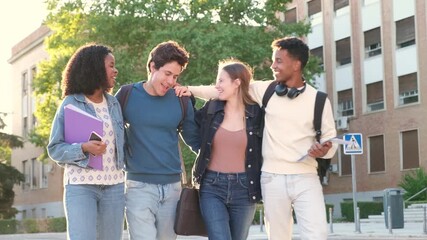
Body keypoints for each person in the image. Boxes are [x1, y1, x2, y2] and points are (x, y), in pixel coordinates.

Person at [177, 37, 338, 240]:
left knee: (317, 234)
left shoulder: (319, 100)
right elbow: (223, 89)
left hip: (306, 176)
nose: (273, 65)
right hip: (272, 177)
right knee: (278, 236)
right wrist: (189, 90)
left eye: (279, 61)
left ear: (296, 64)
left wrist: (324, 150)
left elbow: (330, 139)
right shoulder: (266, 90)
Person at [114, 41, 200, 240]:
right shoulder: (127, 95)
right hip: (138, 187)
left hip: (173, 189)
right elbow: (109, 133)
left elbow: (195, 141)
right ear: (152, 67)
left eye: (176, 76)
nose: (171, 81)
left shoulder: (181, 99)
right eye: (167, 74)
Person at [47, 43, 125, 240]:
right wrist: (83, 148)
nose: (115, 70)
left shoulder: (114, 103)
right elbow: (55, 149)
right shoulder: (71, 103)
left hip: (114, 185)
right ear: (95, 68)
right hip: (81, 186)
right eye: (111, 65)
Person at [191, 59, 263, 240]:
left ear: (237, 82)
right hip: (211, 186)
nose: (217, 86)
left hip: (245, 187)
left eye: (221, 80)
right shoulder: (212, 108)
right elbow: (189, 125)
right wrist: (187, 91)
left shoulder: (256, 114)